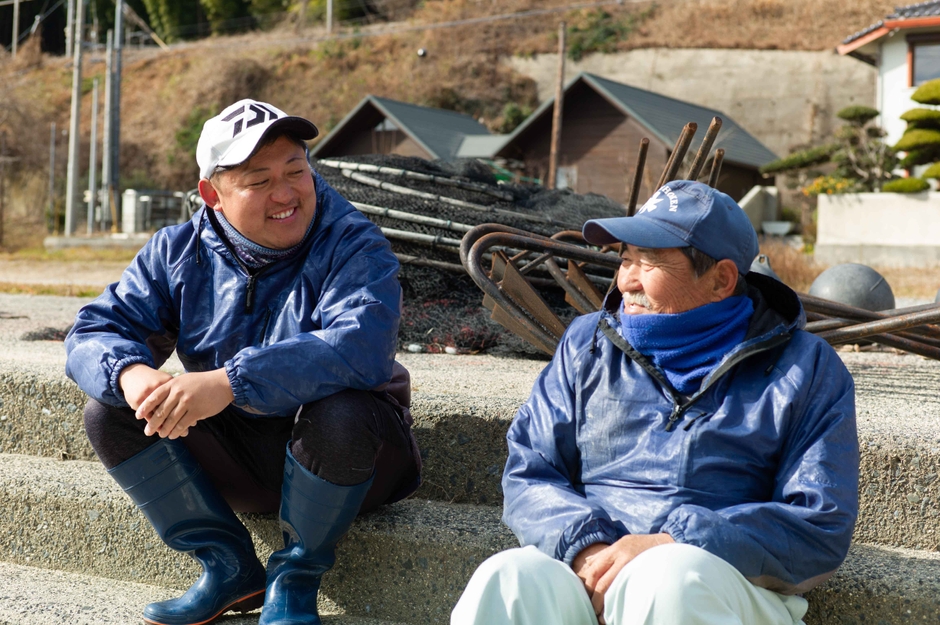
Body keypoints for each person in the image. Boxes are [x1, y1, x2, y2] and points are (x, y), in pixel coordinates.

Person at [65, 99, 421, 625]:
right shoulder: (176, 250)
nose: (285, 194)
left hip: (353, 457)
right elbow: (93, 331)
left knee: (341, 410)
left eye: (295, 171)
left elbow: (360, 347)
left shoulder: (352, 240)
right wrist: (131, 374)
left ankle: (294, 580)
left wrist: (231, 381)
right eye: (258, 181)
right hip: (243, 454)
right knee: (111, 409)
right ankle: (228, 568)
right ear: (213, 194)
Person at [450, 180, 858, 625]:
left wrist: (673, 542)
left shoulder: (807, 367)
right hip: (593, 563)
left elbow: (819, 523)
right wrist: (587, 548)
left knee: (666, 579)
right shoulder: (586, 344)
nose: (626, 279)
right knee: (509, 576)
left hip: (720, 581)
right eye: (625, 258)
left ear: (721, 279)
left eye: (650, 262)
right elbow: (530, 470)